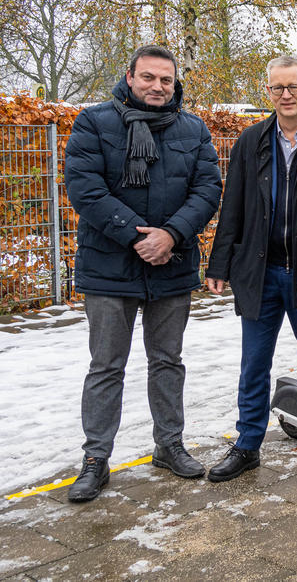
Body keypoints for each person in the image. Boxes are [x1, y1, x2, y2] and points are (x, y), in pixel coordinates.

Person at [63, 45, 222, 502]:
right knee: (106, 366)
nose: (157, 86)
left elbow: (208, 188)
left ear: (176, 84)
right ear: (129, 77)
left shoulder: (193, 129)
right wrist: (139, 237)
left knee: (167, 362)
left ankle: (169, 444)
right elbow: (85, 189)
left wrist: (170, 236)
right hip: (109, 268)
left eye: (166, 80)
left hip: (171, 267)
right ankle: (96, 458)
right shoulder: (93, 122)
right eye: (148, 77)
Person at [204, 55, 297, 484]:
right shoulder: (251, 140)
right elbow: (234, 205)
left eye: (293, 87)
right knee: (253, 365)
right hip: (259, 272)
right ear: (268, 92)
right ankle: (247, 446)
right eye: (277, 88)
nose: (286, 95)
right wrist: (220, 262)